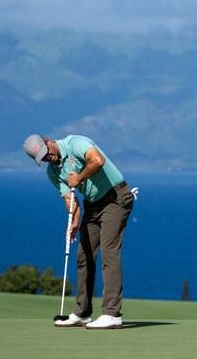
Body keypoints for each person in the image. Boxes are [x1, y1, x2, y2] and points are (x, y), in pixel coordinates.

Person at [23, 134, 134, 329]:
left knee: (109, 252)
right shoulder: (53, 172)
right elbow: (69, 198)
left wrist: (79, 178)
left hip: (116, 197)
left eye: (47, 153)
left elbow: (97, 161)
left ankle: (111, 313)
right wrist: (74, 220)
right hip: (92, 205)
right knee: (84, 255)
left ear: (48, 141)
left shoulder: (76, 144)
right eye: (42, 159)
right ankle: (83, 312)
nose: (48, 159)